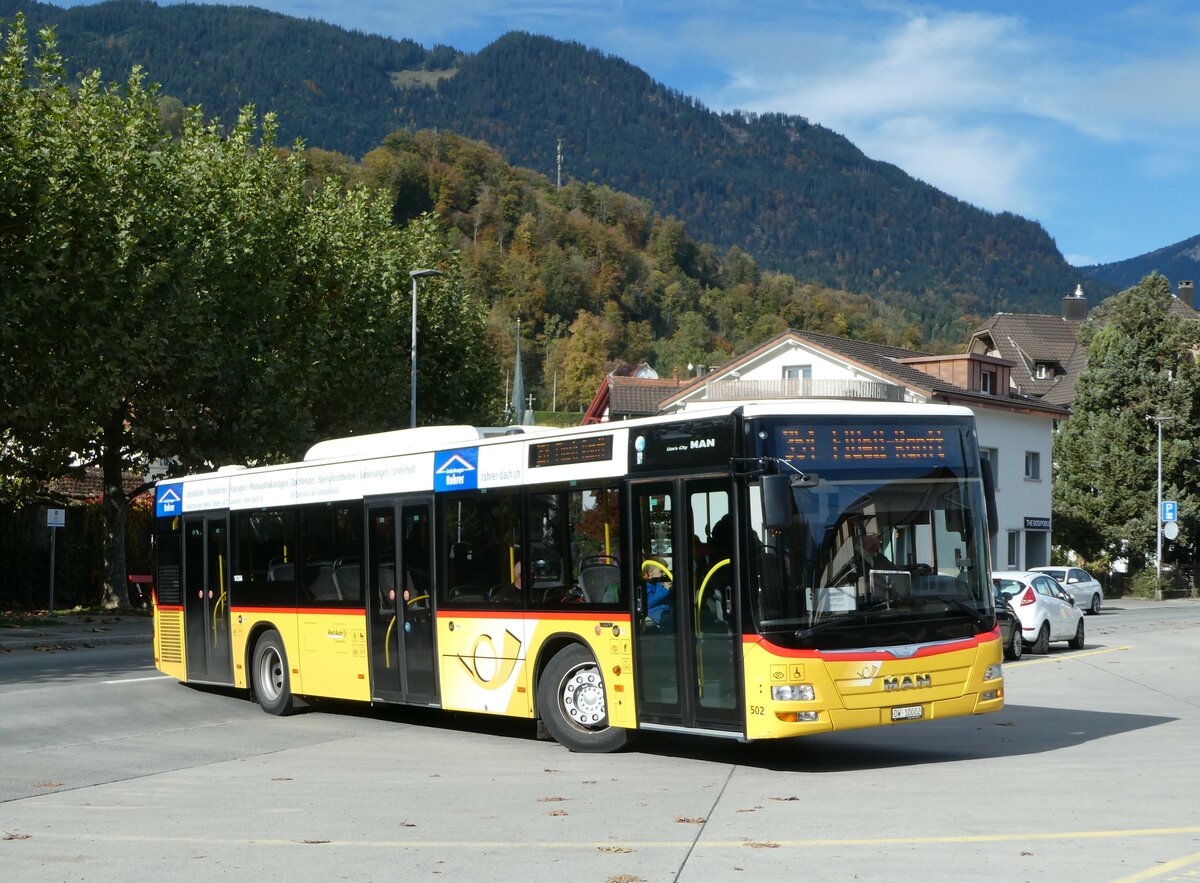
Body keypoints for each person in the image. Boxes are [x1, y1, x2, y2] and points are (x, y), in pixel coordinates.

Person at [643, 559, 674, 630]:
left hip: (665, 609)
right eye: (661, 571)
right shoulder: (648, 585)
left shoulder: (658, 583)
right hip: (654, 613)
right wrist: (664, 590)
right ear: (650, 573)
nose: (664, 574)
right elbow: (647, 602)